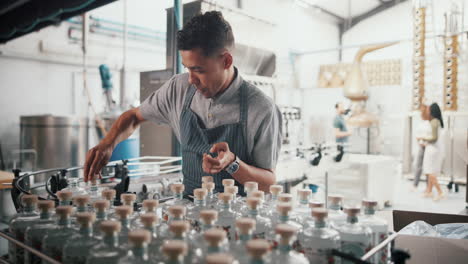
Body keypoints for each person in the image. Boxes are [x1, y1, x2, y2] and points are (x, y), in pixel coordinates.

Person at [83, 11, 282, 195]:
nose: (191, 80)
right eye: (187, 68)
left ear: (226, 61)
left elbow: (268, 183)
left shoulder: (262, 109)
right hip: (189, 216)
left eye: (199, 70)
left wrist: (233, 163)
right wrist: (107, 143)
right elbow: (134, 116)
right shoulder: (177, 89)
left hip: (239, 224)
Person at [421, 103, 445, 201]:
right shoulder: (436, 121)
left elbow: (434, 138)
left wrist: (423, 138)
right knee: (430, 170)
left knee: (430, 171)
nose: (427, 111)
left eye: (429, 109)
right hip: (434, 148)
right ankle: (429, 191)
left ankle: (440, 192)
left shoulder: (434, 122)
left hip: (432, 149)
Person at [413, 104, 431, 191]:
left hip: (429, 147)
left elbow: (432, 136)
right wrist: (420, 141)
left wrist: (425, 141)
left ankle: (428, 187)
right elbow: (417, 135)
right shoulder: (421, 124)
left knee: (428, 167)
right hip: (421, 146)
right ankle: (415, 185)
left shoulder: (431, 123)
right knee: (418, 166)